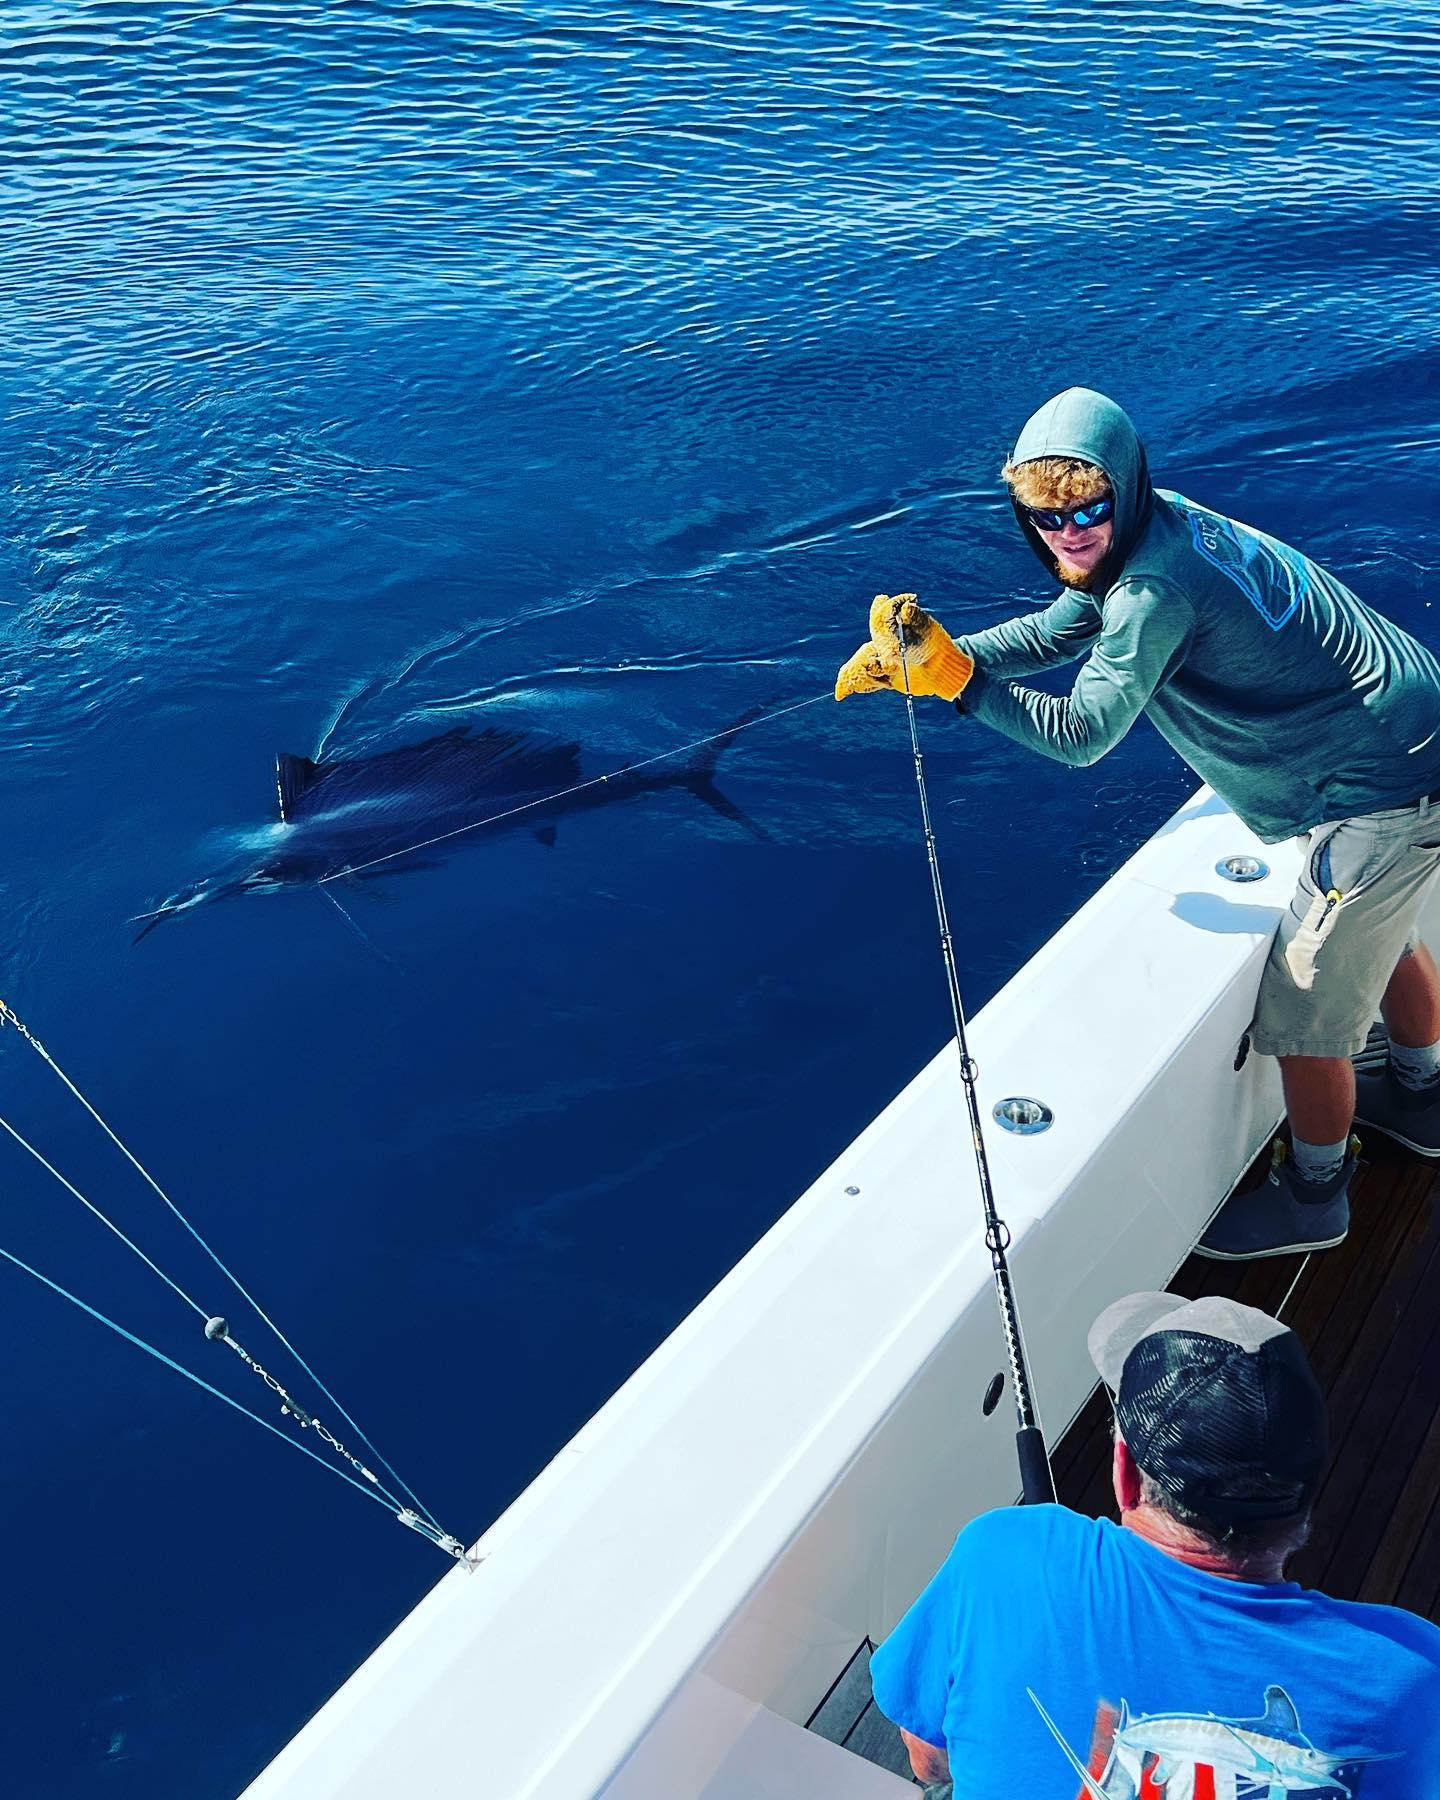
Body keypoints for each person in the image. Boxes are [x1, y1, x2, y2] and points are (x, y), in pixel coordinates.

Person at [836, 389, 1440, 1259]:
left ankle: (1317, 1196)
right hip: (1401, 737)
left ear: (1121, 490)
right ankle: (1419, 1097)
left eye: (1088, 508)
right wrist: (940, 649)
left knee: (1305, 1006)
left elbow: (1081, 735)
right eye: (1046, 516)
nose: (1070, 532)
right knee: (1381, 932)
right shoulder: (1156, 528)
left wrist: (958, 688)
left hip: (1386, 776)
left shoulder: (1150, 591)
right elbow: (1062, 626)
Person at [869, 1290, 1440, 1796]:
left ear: (1122, 1471)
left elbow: (929, 1758)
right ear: (1307, 1498)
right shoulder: (1413, 1673)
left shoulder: (1002, 1557)